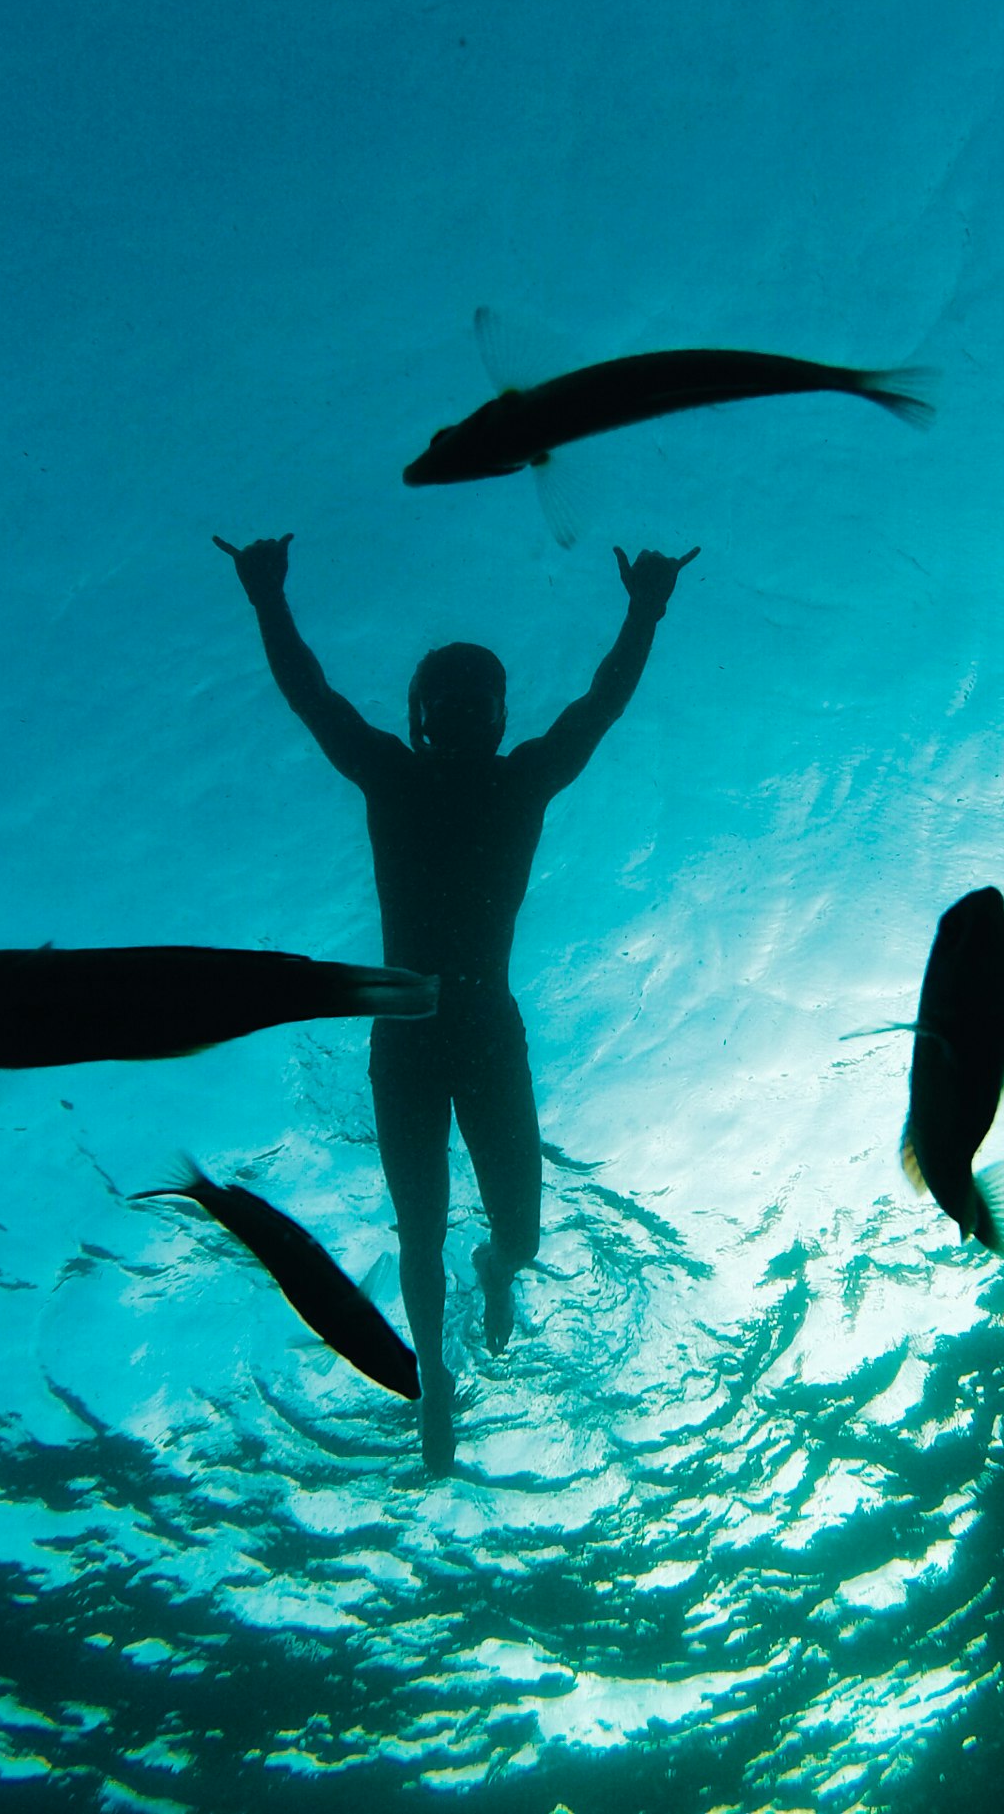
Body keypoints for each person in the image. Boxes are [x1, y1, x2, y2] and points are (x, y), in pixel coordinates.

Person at [215, 531, 700, 1473]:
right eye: (450, 698)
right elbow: (312, 699)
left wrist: (646, 609)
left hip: (482, 1021)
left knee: (516, 1227)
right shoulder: (393, 771)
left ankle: (498, 1272)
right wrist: (266, 596)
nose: (467, 708)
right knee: (420, 1226)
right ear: (427, 715)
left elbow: (601, 706)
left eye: (479, 696)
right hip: (406, 1024)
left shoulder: (521, 777)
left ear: (495, 711)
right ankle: (434, 1381)